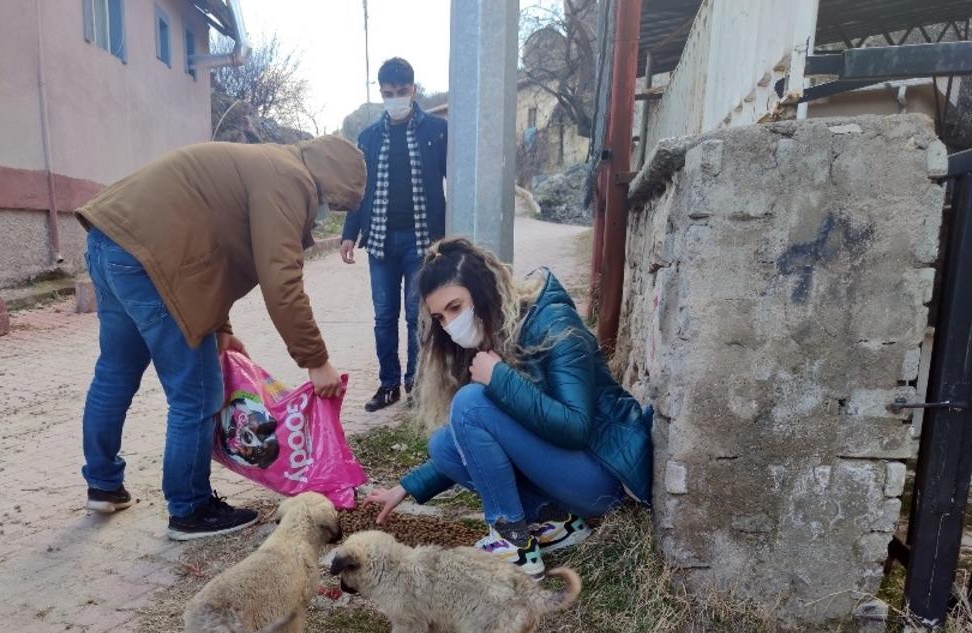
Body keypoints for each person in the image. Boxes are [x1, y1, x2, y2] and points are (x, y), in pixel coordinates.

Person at [75, 135, 366, 540]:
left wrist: (222, 330)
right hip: (151, 261)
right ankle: (190, 509)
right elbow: (280, 280)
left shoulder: (262, 163)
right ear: (327, 178)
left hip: (110, 241)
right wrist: (316, 361)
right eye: (331, 202)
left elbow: (209, 251)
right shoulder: (290, 178)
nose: (323, 212)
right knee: (195, 394)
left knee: (116, 372)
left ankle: (103, 484)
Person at [367, 238, 653, 576]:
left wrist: (499, 378)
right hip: (570, 471)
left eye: (456, 307)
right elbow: (479, 438)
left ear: (484, 290)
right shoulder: (491, 334)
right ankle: (556, 523)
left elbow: (576, 426)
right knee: (444, 446)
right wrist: (407, 487)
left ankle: (512, 543)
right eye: (441, 317)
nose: (449, 325)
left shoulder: (553, 323)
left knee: (470, 404)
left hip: (604, 472)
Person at [340, 57, 448, 413]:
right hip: (381, 243)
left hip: (422, 242)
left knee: (417, 315)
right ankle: (389, 384)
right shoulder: (369, 137)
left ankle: (416, 386)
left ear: (413, 90)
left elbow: (454, 181)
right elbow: (359, 189)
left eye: (402, 92)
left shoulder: (436, 131)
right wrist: (348, 234)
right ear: (381, 92)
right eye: (389, 93)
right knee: (384, 316)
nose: (396, 98)